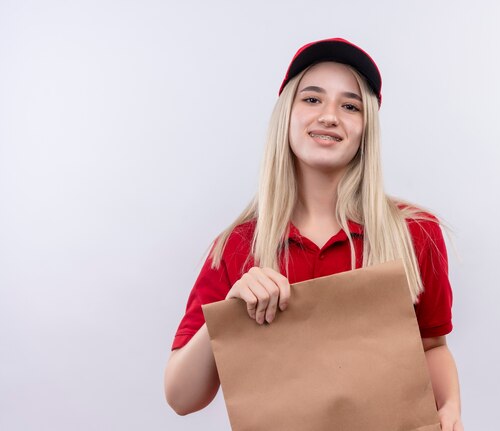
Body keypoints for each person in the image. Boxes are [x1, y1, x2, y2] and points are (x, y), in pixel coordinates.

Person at [164, 38, 464, 431]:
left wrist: (451, 407)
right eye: (312, 99)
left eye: (350, 105)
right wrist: (229, 313)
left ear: (366, 129)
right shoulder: (237, 247)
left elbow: (432, 347)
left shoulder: (415, 233)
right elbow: (181, 398)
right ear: (286, 115)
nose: (329, 116)